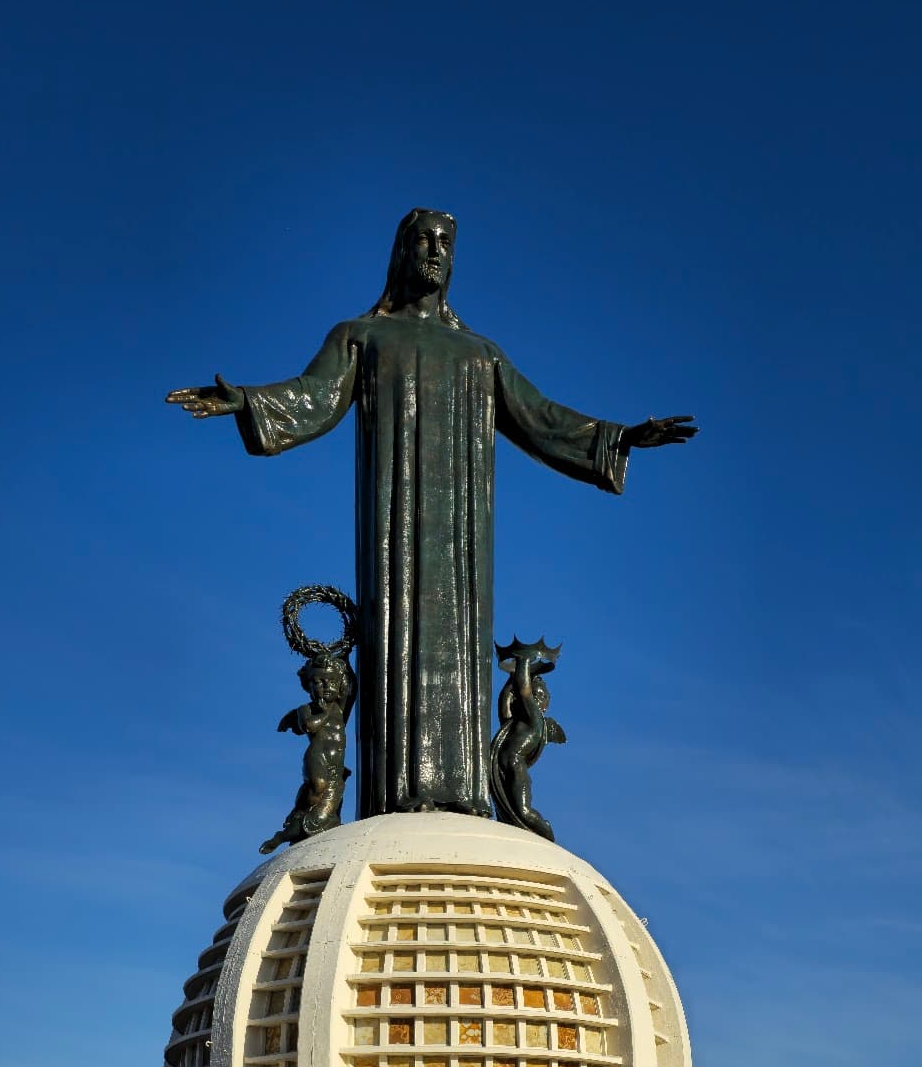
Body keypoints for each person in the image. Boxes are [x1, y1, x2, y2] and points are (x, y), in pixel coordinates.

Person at [166, 208, 698, 822]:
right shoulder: (361, 337)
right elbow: (314, 397)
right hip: (394, 526)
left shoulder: (480, 354)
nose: (435, 251)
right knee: (399, 634)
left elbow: (541, 418)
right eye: (423, 239)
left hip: (465, 533)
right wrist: (247, 400)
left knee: (459, 641)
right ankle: (396, 793)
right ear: (400, 251)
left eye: (446, 242)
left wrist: (620, 437)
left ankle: (465, 792)